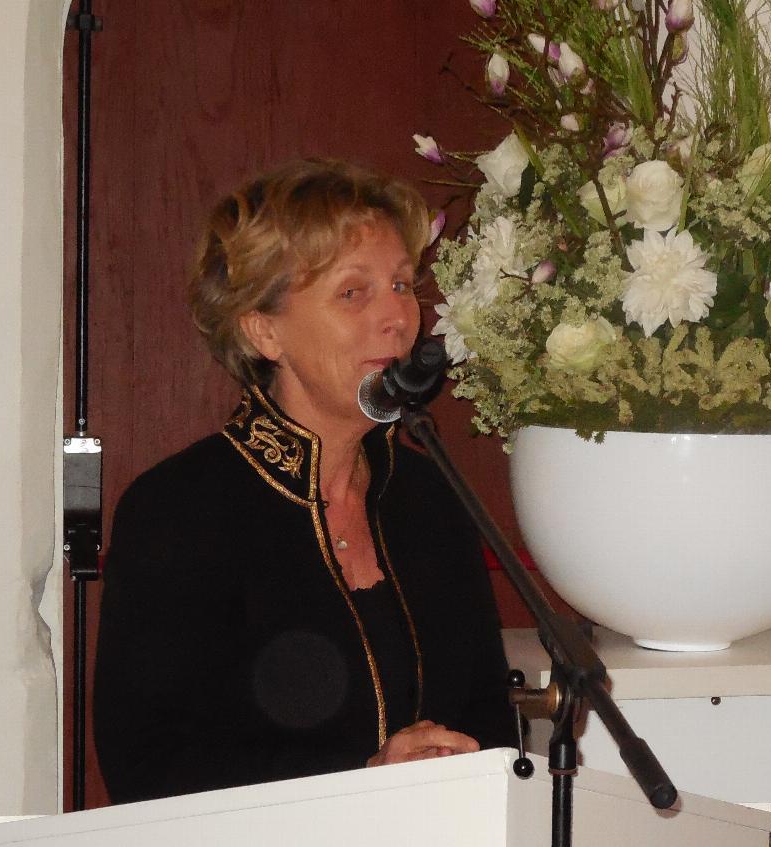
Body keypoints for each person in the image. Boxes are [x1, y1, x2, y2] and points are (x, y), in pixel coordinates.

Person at [93, 158, 518, 804]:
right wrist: (361, 777)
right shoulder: (179, 510)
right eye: (354, 293)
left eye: (402, 284)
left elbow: (488, 714)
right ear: (264, 330)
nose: (398, 317)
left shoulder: (431, 496)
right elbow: (149, 766)